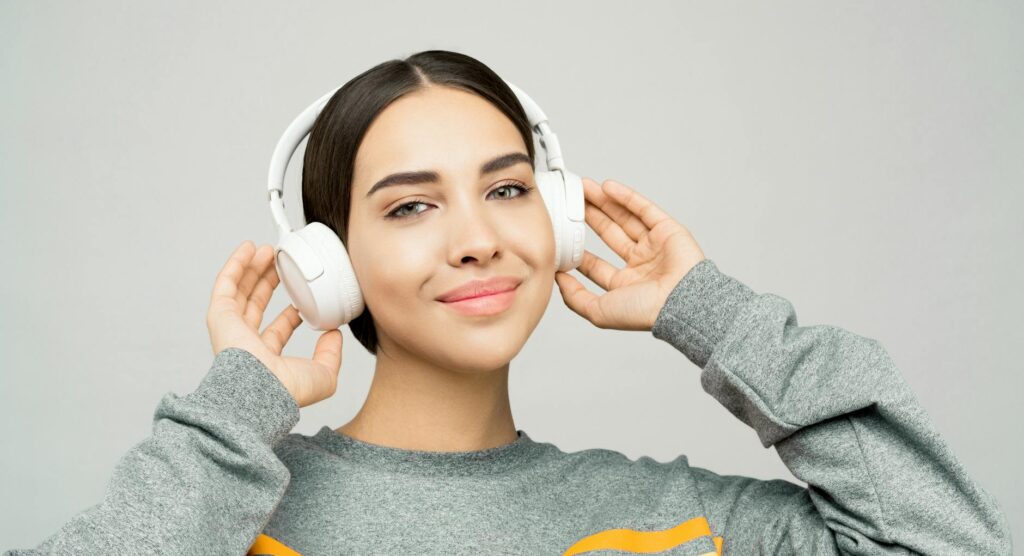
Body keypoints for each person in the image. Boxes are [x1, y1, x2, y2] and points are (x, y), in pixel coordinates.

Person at [5, 50, 1011, 556]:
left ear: (558, 217)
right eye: (410, 206)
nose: (477, 234)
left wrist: (719, 316)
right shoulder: (225, 515)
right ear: (329, 262)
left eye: (506, 187)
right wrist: (230, 419)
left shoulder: (673, 523)